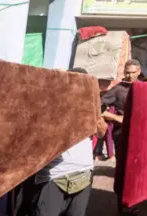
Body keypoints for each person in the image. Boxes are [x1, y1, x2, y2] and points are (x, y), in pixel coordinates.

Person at [32, 68, 107, 216]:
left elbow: (102, 132)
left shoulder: (91, 107)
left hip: (83, 175)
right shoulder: (52, 105)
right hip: (55, 177)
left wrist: (94, 112)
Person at [100, 59, 141, 216]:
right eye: (127, 72)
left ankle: (135, 202)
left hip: (140, 136)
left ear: (139, 71)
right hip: (122, 135)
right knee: (124, 171)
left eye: (133, 72)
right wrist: (117, 119)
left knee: (137, 170)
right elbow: (98, 106)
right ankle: (124, 208)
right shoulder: (118, 90)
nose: (130, 75)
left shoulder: (144, 87)